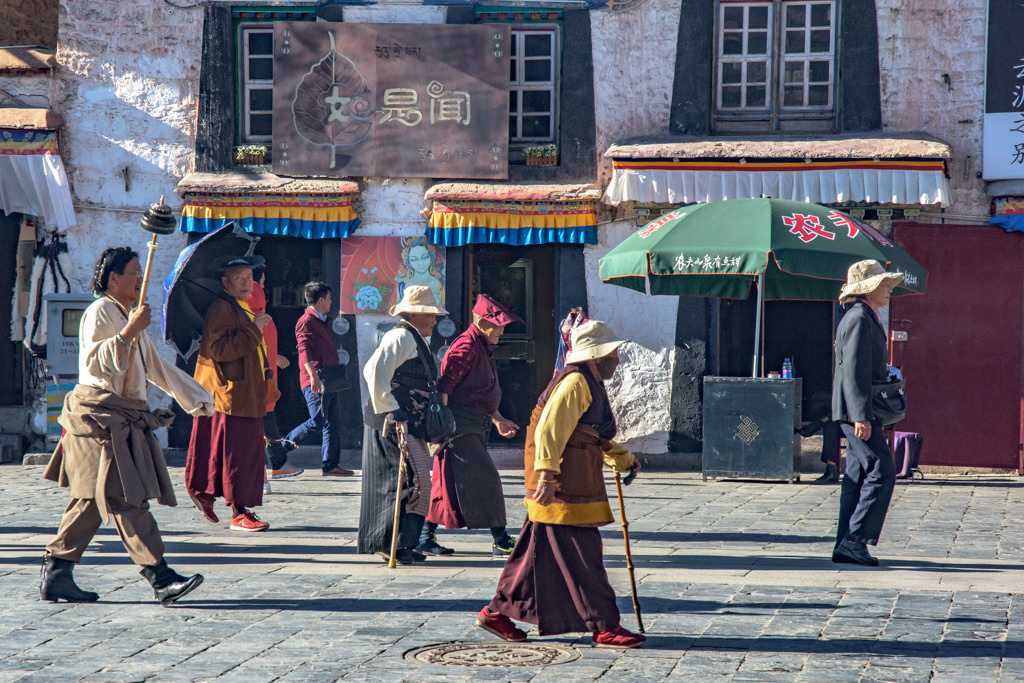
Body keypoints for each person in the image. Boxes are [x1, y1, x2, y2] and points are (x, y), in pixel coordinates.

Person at [40, 246, 213, 605]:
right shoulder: (100, 311)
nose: (139, 278)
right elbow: (98, 365)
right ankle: (160, 577)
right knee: (125, 496)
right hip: (99, 419)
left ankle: (57, 573)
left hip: (120, 417)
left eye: (140, 272)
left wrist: (199, 398)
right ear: (112, 278)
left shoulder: (128, 315)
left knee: (91, 499)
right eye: (134, 271)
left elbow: (156, 368)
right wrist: (128, 332)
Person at [476, 320, 646, 649]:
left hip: (570, 481)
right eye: (612, 354)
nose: (616, 360)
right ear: (596, 357)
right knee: (584, 558)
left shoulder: (588, 381)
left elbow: (588, 434)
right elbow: (549, 431)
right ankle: (604, 626)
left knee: (532, 556)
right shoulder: (575, 382)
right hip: (563, 488)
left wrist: (622, 458)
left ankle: (497, 613)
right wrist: (547, 476)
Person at [419, 294, 521, 557]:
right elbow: (445, 386)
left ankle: (424, 536)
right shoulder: (466, 346)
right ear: (483, 323)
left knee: (445, 483)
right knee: (488, 478)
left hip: (474, 423)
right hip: (459, 427)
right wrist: (443, 427)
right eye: (498, 325)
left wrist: (498, 420)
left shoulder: (482, 344)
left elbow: (481, 393)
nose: (502, 330)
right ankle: (500, 538)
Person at [186, 254, 278, 533]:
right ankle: (238, 513)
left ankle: (226, 502)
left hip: (247, 393)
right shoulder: (221, 308)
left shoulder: (241, 307)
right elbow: (220, 350)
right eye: (239, 278)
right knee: (237, 456)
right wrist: (255, 329)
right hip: (232, 395)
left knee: (245, 454)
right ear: (225, 282)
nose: (247, 282)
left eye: (249, 277)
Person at [358, 285, 445, 564]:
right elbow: (374, 370)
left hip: (406, 423)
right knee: (405, 481)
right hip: (392, 423)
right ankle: (391, 544)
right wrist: (390, 408)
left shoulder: (415, 338)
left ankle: (404, 544)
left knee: (414, 482)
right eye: (430, 315)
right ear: (414, 314)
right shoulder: (401, 336)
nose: (434, 321)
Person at [831, 260, 903, 567]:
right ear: (868, 288)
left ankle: (845, 543)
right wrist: (861, 416)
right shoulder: (859, 317)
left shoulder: (862, 315)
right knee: (881, 470)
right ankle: (855, 540)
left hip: (856, 409)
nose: (889, 289)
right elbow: (854, 370)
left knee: (857, 474)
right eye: (883, 284)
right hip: (857, 412)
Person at [284, 281, 353, 477]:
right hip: (317, 380)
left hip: (331, 379)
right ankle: (281, 448)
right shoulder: (306, 321)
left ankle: (330, 465)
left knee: (333, 423)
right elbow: (303, 350)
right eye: (329, 298)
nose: (331, 302)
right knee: (317, 422)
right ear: (321, 300)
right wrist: (313, 377)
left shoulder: (322, 320)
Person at [248, 270, 303, 483]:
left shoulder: (257, 313)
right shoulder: (253, 312)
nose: (263, 288)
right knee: (264, 422)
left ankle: (274, 466)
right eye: (261, 283)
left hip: (265, 374)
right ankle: (275, 464)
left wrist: (274, 357)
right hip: (259, 377)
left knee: (265, 421)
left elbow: (263, 344)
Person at [395, 238, 444, 310]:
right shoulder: (402, 287)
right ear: (408, 262)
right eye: (414, 259)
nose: (420, 263)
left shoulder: (440, 283)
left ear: (431, 257)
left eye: (425, 257)